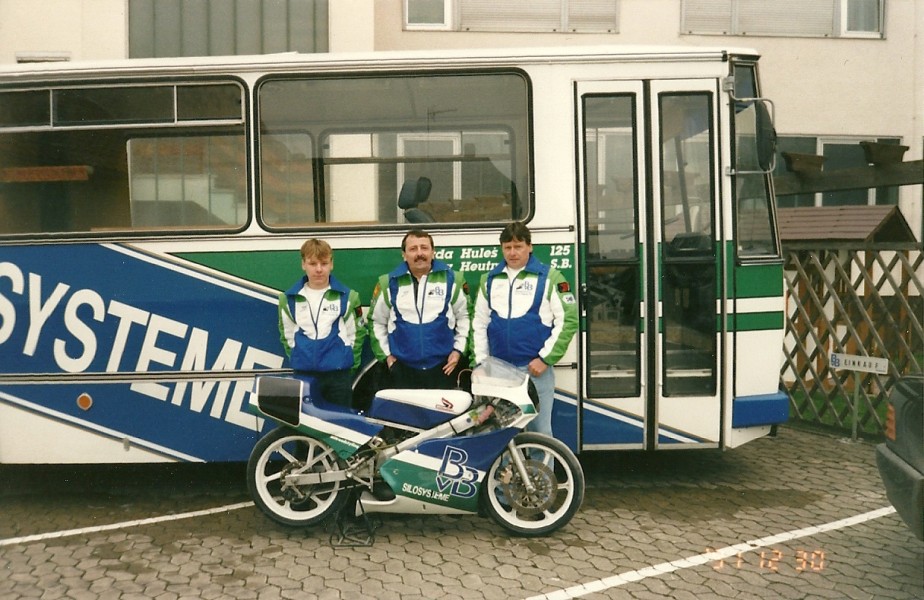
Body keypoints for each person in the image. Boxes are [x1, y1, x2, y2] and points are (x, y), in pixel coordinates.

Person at [473, 222, 578, 437]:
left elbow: (568, 320)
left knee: (540, 433)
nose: (512, 252)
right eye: (507, 247)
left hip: (535, 370)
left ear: (529, 247)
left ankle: (542, 473)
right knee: (500, 433)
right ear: (502, 249)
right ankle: (503, 473)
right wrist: (482, 364)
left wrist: (546, 359)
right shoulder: (490, 280)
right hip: (498, 372)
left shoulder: (550, 277)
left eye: (518, 246)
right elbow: (479, 324)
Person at [369, 229, 471, 389]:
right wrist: (387, 357)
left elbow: (465, 317)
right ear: (404, 254)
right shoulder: (388, 283)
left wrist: (457, 351)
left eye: (424, 248)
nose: (419, 253)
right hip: (402, 369)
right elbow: (376, 322)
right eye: (413, 249)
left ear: (433, 252)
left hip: (444, 367)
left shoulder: (453, 279)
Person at [278, 239, 366, 408]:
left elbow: (357, 334)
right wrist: (300, 358)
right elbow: (287, 335)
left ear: (331, 264)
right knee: (308, 426)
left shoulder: (348, 297)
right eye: (313, 263)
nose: (319, 269)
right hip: (304, 375)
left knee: (339, 426)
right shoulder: (288, 299)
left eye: (324, 263)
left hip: (338, 377)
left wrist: (347, 363)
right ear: (303, 264)